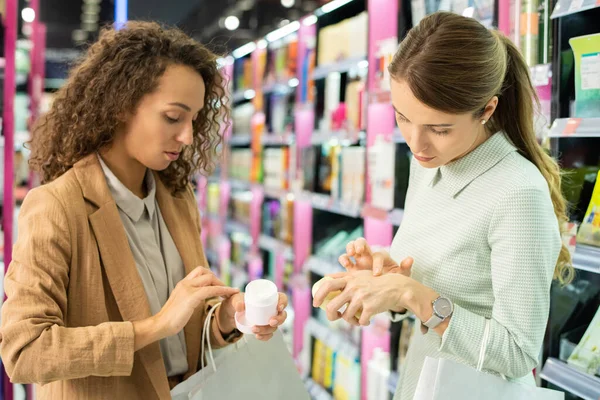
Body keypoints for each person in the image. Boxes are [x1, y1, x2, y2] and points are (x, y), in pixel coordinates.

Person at [0, 22, 287, 400]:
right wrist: (155, 326)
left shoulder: (177, 198)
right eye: (173, 117)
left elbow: (186, 330)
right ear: (121, 104)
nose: (187, 137)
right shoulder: (57, 206)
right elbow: (25, 351)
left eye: (194, 119)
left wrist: (229, 316)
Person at [313, 12, 573, 399]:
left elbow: (518, 353)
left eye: (439, 128)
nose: (417, 145)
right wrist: (385, 278)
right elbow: (436, 286)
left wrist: (411, 295)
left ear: (487, 110)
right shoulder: (429, 167)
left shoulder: (518, 193)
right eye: (403, 118)